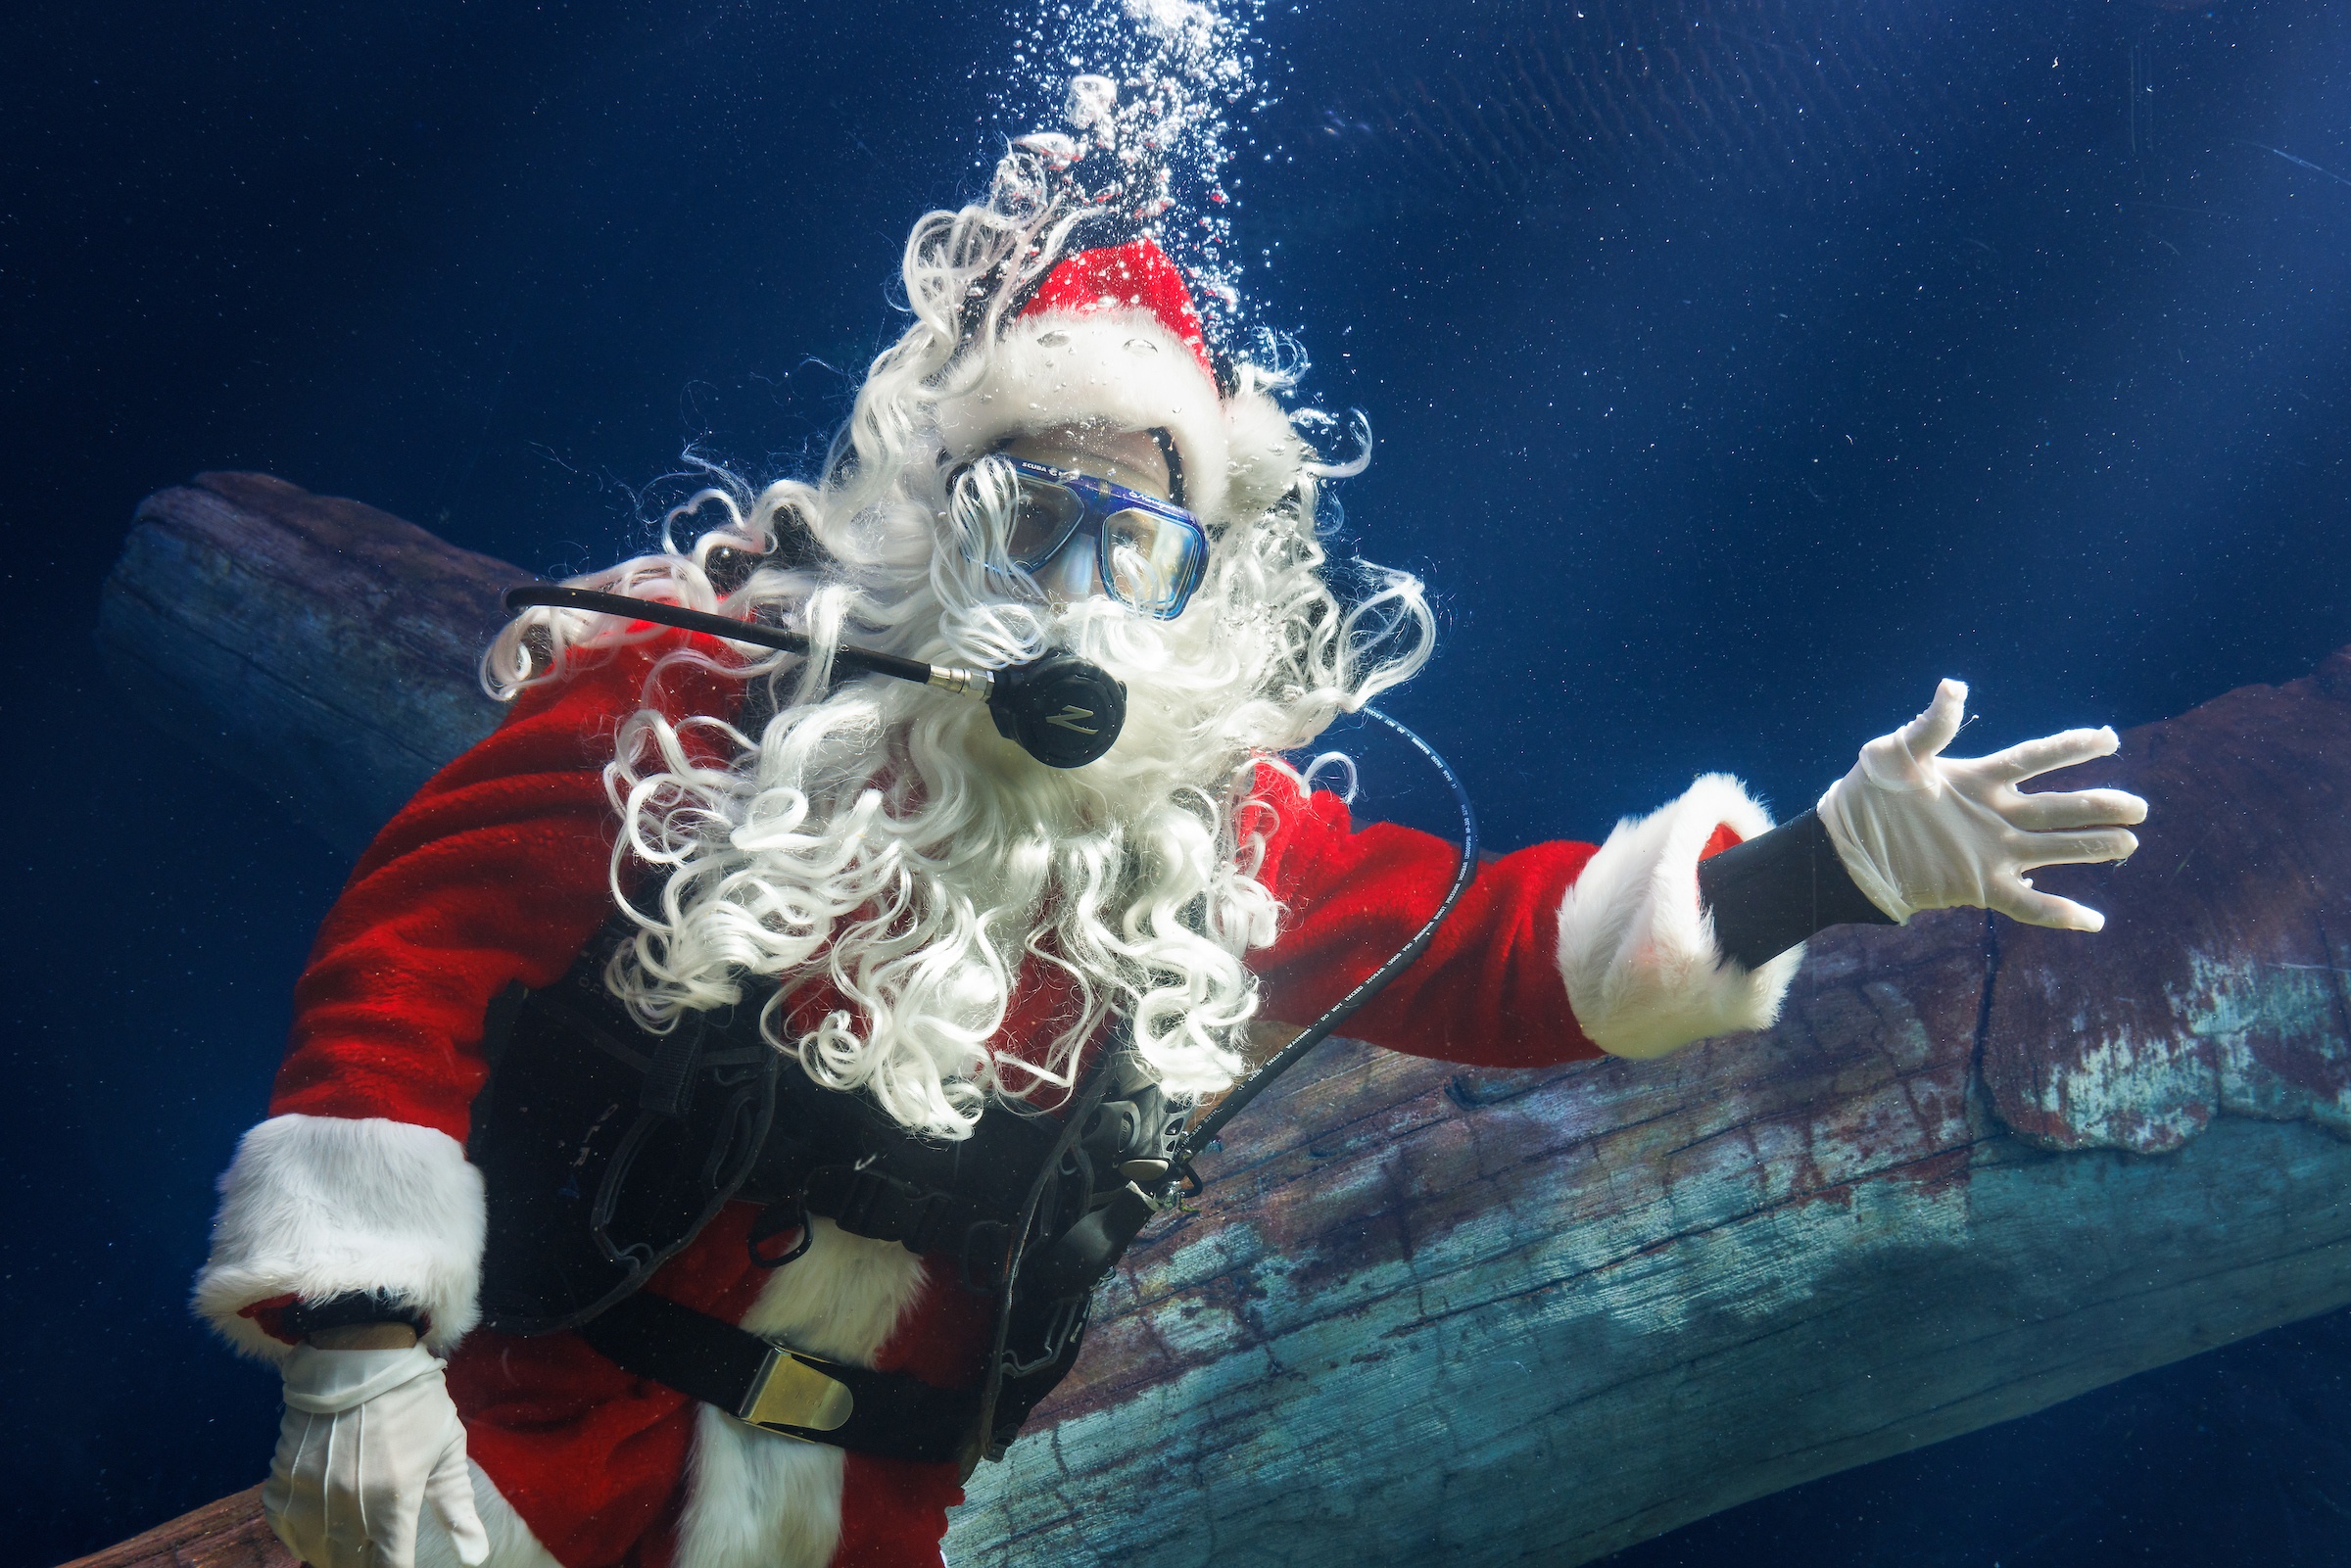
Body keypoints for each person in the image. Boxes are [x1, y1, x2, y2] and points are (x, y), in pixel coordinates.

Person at [194, 80, 2148, 1568]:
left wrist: (1839, 862)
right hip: (527, 1468)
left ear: (1208, 569)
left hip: (872, 1516)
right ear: (940, 511)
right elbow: (414, 960)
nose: (1080, 590)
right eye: (1033, 517)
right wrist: (354, 1349)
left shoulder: (1214, 830)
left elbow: (1497, 960)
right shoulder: (706, 711)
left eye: (1140, 542)